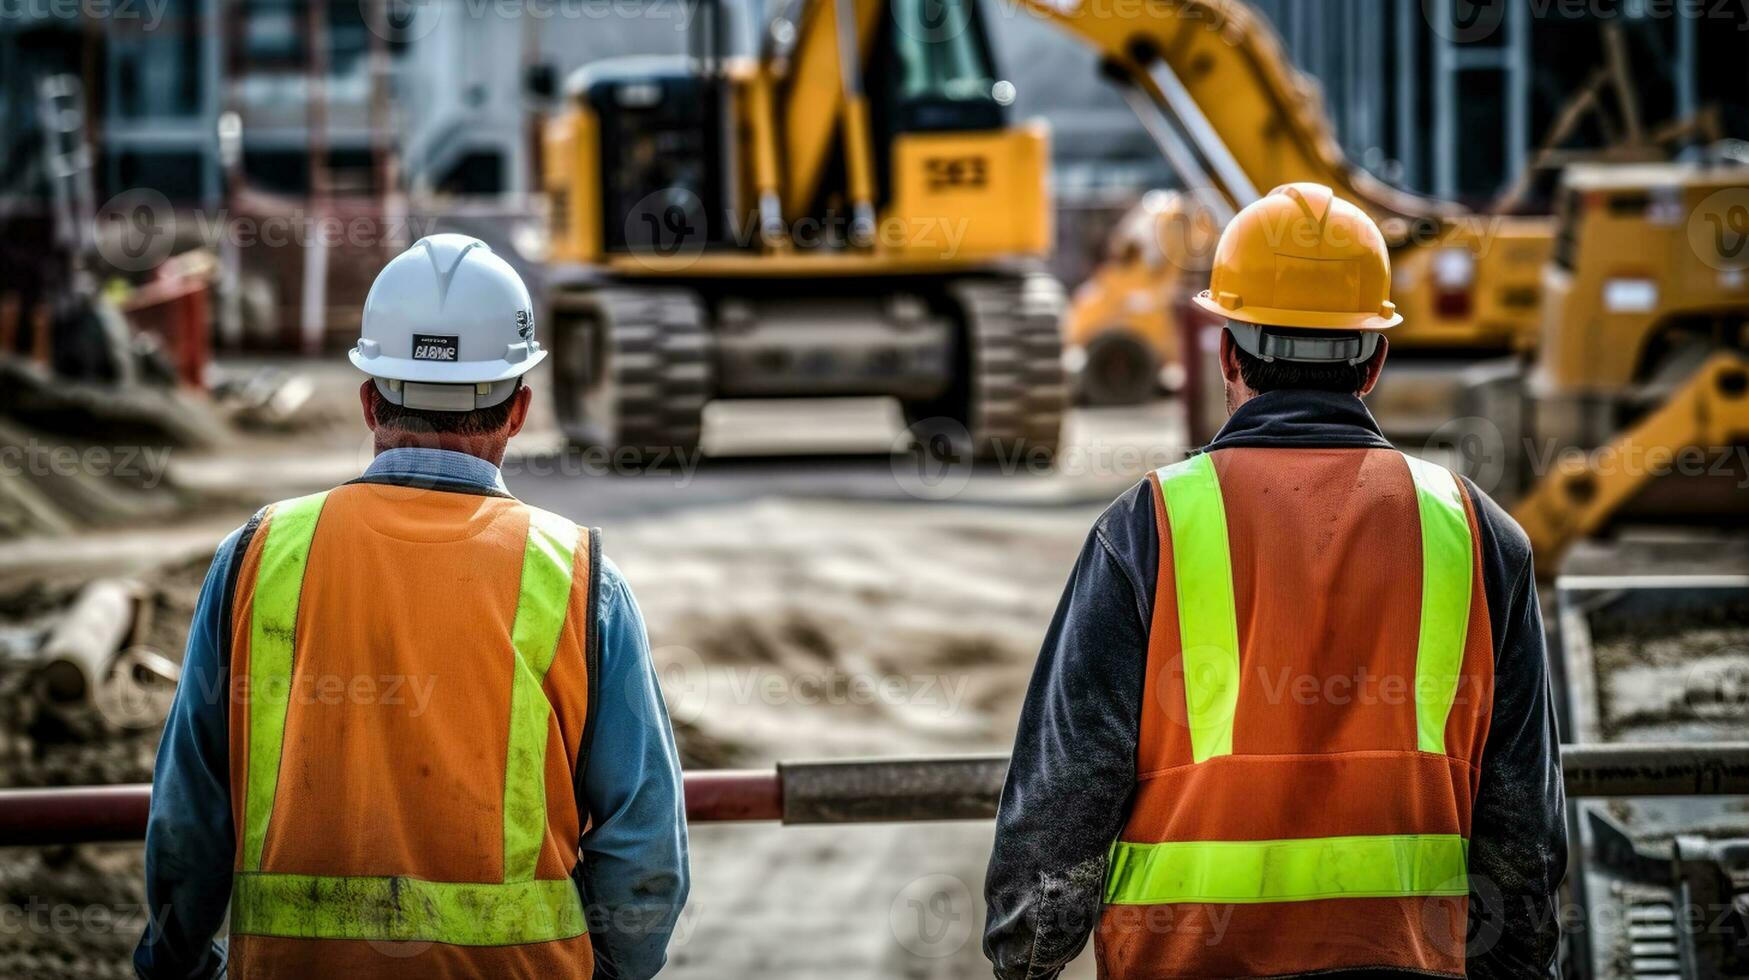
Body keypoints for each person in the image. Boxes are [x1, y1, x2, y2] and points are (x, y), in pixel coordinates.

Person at [983, 184, 1566, 979]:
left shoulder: (1145, 527)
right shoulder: (1479, 535)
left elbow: (1063, 802)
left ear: (1227, 352)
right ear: (1375, 360)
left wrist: (1026, 959)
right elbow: (1521, 837)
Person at [134, 235, 689, 979]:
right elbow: (644, 852)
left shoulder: (257, 555)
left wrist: (175, 965)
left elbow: (187, 823)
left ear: (369, 397)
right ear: (519, 408)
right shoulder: (583, 580)